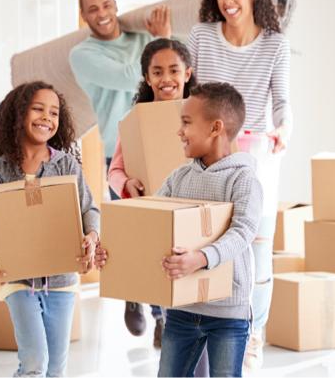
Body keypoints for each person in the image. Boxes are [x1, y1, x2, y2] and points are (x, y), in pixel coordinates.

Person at [96, 82, 263, 377]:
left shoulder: (243, 179)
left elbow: (243, 232)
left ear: (215, 128)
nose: (179, 131)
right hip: (182, 309)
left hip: (227, 312)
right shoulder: (180, 177)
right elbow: (151, 225)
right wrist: (113, 252)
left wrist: (200, 258)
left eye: (186, 122)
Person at [187, 0, 292, 370]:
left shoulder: (274, 45)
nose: (228, 3)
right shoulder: (201, 36)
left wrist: (284, 128)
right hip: (209, 158)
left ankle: (253, 336)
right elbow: (188, 91)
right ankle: (204, 332)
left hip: (257, 157)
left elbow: (282, 101)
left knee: (257, 257)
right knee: (209, 245)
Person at [0, 81, 99, 377]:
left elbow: (89, 209)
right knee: (34, 362)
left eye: (54, 112)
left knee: (55, 368)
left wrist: (92, 236)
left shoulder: (67, 166)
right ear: (19, 114)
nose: (47, 118)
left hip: (62, 282)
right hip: (17, 278)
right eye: (38, 109)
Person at [69, 0, 171, 337]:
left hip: (160, 144)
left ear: (116, 5)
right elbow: (132, 75)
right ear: (84, 15)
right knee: (134, 237)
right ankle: (134, 295)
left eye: (108, 4)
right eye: (94, 8)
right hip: (121, 152)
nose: (103, 13)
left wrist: (162, 35)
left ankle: (161, 318)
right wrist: (160, 40)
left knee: (164, 235)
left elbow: (171, 69)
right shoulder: (82, 54)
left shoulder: (141, 38)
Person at [107, 38, 197, 349]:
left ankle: (163, 317)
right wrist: (126, 184)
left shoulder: (201, 115)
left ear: (187, 73)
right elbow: (115, 170)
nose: (166, 79)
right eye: (157, 72)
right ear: (147, 78)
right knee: (158, 265)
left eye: (174, 70)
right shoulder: (136, 120)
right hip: (150, 209)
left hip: (189, 210)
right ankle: (156, 313)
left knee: (179, 269)